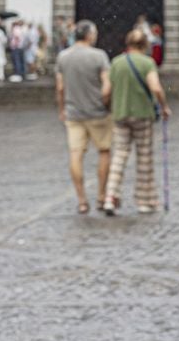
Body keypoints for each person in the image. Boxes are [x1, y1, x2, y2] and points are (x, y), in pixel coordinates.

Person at [102, 28, 171, 215]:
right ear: (144, 45)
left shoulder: (116, 63)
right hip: (142, 115)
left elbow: (106, 91)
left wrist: (109, 107)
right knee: (144, 158)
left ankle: (110, 197)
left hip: (121, 114)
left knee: (119, 155)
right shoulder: (147, 63)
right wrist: (164, 106)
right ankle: (144, 200)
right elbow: (156, 88)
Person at [55, 20, 113, 214]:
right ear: (89, 35)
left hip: (74, 113)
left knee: (75, 154)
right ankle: (101, 195)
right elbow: (106, 86)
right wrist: (106, 103)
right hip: (97, 112)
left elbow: (60, 87)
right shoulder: (99, 56)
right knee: (104, 152)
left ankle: (81, 200)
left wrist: (62, 109)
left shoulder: (63, 57)